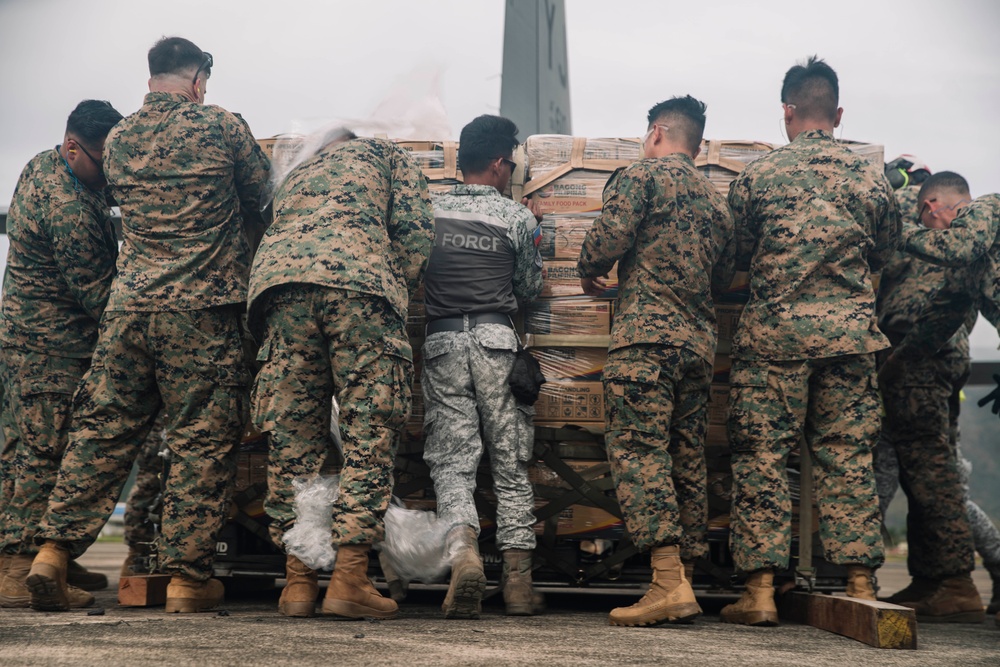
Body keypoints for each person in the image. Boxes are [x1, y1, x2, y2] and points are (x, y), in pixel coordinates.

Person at [25, 37, 270, 613]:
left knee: (102, 432)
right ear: (198, 81)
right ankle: (186, 580)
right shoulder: (222, 127)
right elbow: (263, 196)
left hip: (128, 310)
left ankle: (53, 554)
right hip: (203, 314)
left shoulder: (120, 139)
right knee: (200, 441)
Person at [722, 56, 899, 626]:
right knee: (847, 458)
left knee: (763, 459)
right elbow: (885, 252)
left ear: (787, 112)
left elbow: (737, 255)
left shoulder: (759, 177)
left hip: (774, 339)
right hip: (849, 342)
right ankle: (858, 578)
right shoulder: (870, 179)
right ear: (838, 113)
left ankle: (761, 590)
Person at [248, 127, 434, 620]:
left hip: (280, 291)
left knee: (293, 439)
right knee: (368, 432)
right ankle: (350, 577)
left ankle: (298, 582)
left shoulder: (295, 171)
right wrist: (389, 285)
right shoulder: (385, 155)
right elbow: (416, 236)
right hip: (359, 288)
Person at [578, 95, 735, 627]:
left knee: (638, 450)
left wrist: (588, 269)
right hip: (697, 347)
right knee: (685, 456)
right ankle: (683, 576)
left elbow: (608, 238)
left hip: (645, 341)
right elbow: (722, 279)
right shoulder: (718, 205)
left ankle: (667, 582)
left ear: (657, 133)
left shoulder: (642, 176)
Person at [418, 115, 544, 619]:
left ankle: (464, 554)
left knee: (452, 461)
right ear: (496, 164)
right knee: (510, 462)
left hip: (442, 341)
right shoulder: (517, 218)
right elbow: (530, 289)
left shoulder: (427, 213)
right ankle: (517, 585)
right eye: (510, 165)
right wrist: (532, 225)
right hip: (496, 340)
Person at [0, 100, 123, 609]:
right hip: (51, 348)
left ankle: (50, 557)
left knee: (21, 448)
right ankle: (15, 568)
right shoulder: (68, 206)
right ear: (73, 146)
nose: (109, 176)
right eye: (102, 162)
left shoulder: (42, 164)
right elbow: (97, 293)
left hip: (27, 342)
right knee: (42, 456)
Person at [874, 169, 984, 623]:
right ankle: (931, 579)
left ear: (929, 203)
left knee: (930, 470)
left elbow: (887, 251)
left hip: (917, 350)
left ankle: (955, 582)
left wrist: (890, 180)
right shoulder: (970, 240)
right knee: (926, 469)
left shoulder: (920, 221)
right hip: (944, 353)